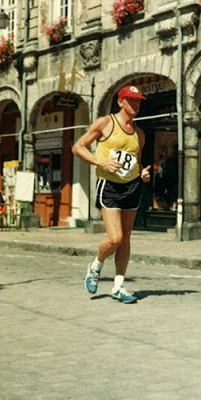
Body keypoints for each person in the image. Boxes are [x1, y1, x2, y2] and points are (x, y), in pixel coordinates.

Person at [72, 85, 151, 304]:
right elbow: (78, 147)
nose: (136, 105)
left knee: (125, 239)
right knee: (114, 238)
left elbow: (136, 161)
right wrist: (101, 162)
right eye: (131, 100)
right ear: (120, 102)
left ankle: (118, 286)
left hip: (132, 186)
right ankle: (96, 265)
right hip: (110, 186)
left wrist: (142, 173)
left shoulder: (139, 134)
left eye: (138, 101)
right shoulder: (105, 123)